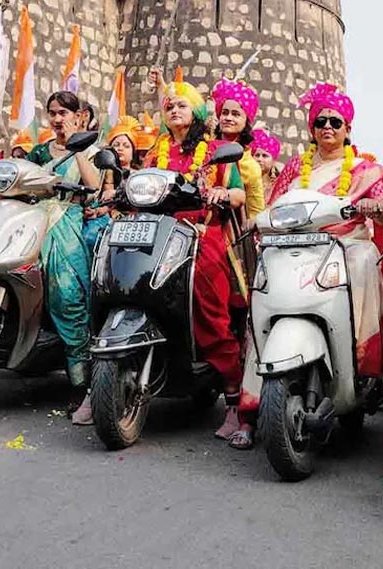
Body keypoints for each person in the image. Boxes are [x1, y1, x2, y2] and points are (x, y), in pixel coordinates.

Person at [259, 83, 383, 450]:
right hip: (297, 246)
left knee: (364, 257)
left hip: (345, 245)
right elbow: (274, 206)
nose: (327, 127)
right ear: (311, 128)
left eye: (335, 122)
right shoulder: (295, 168)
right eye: (320, 121)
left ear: (347, 129)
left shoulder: (365, 170)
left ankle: (359, 355)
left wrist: (373, 208)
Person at [142, 68, 250, 443]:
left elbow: (238, 194)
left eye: (182, 105)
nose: (174, 109)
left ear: (198, 112)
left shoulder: (216, 150)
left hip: (201, 234)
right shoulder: (156, 151)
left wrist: (222, 194)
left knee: (210, 314)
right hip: (158, 235)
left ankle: (235, 402)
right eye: (169, 105)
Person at [24, 91, 101, 424]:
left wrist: (77, 147)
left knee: (68, 298)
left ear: (78, 116)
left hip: (67, 222)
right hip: (31, 221)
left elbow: (94, 186)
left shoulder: (91, 150)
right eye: (52, 113)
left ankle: (81, 384)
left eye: (64, 113)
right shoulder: (40, 151)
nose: (57, 119)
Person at [82, 115, 143, 254]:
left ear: (133, 152)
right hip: (105, 219)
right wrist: (96, 211)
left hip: (134, 221)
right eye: (116, 145)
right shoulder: (101, 173)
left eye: (126, 146)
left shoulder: (139, 176)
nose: (120, 148)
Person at [210, 78, 266, 218]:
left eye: (236, 114)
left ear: (246, 121)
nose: (228, 118)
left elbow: (255, 212)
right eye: (225, 113)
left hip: (224, 226)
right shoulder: (204, 148)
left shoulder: (250, 166)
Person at [250, 128, 282, 205]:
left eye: (265, 156)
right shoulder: (245, 181)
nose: (259, 159)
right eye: (257, 155)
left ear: (273, 160)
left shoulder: (279, 184)